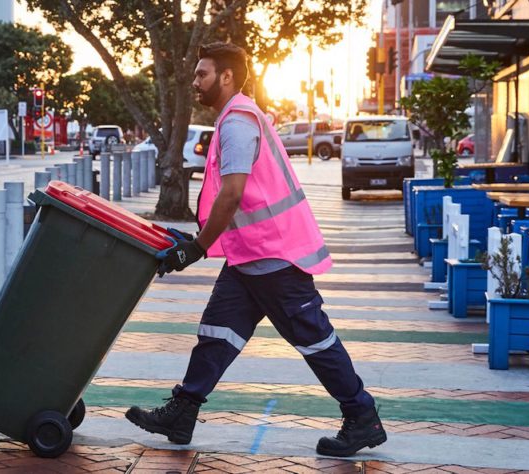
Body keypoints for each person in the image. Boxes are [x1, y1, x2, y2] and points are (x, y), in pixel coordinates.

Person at [125, 42, 387, 458]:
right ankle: (184, 410)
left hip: (274, 255)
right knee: (216, 333)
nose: (195, 82)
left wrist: (197, 247)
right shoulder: (237, 116)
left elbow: (232, 193)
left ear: (226, 76)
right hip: (251, 255)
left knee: (315, 338)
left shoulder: (238, 122)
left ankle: (362, 416)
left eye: (202, 74)